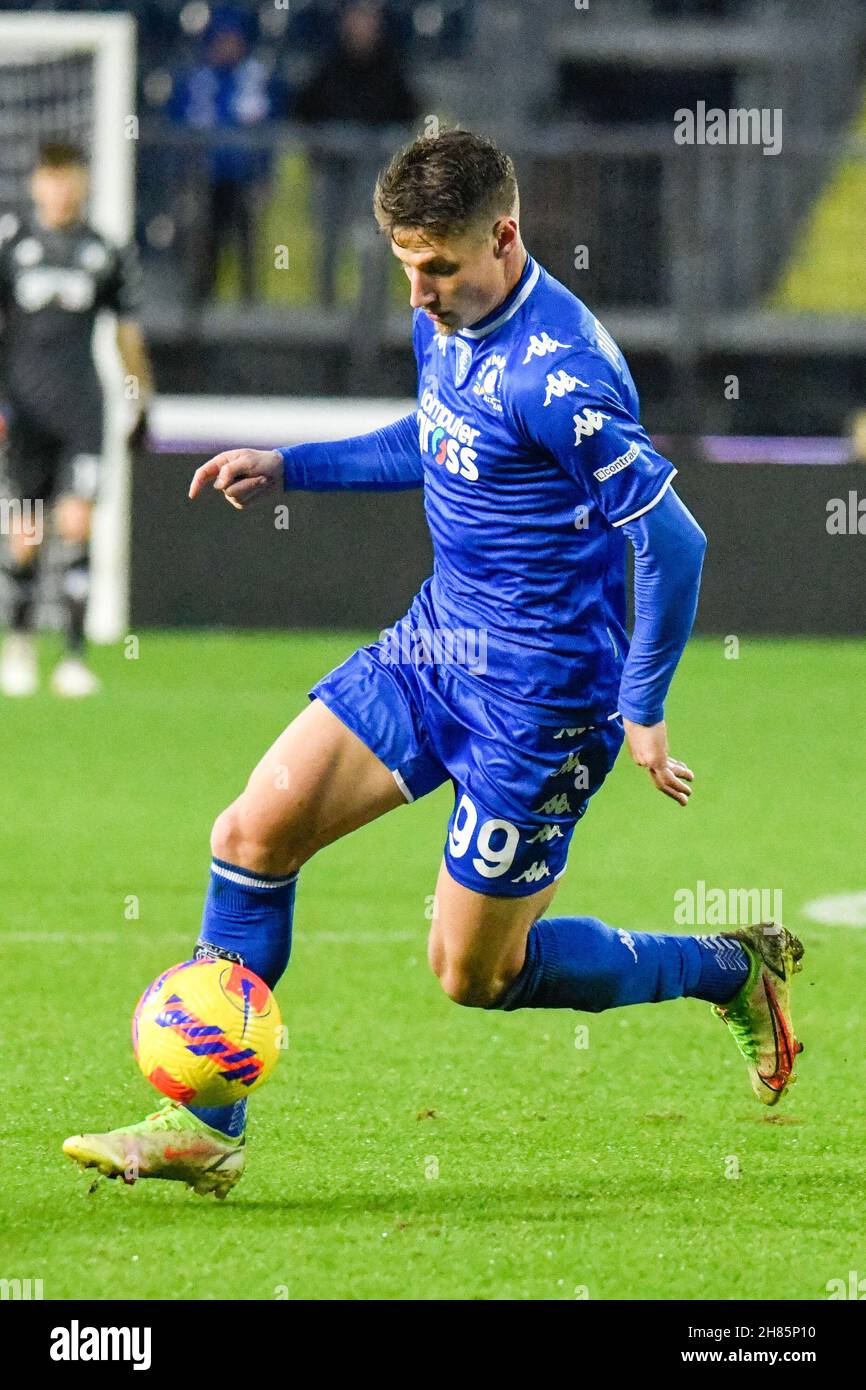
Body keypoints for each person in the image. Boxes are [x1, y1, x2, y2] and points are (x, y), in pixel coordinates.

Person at [64, 130, 803, 1196]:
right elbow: (437, 434)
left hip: (538, 704)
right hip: (431, 647)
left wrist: (641, 705)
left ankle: (727, 968)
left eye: (438, 267)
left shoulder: (562, 376)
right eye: (404, 264)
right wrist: (290, 467)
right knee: (251, 831)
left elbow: (671, 538)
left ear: (504, 236)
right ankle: (204, 1126)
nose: (416, 292)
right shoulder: (446, 317)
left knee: (475, 974)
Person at [0, 142, 153, 698]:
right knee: (23, 534)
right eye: (52, 178)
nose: (61, 189)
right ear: (37, 183)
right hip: (21, 414)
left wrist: (142, 400)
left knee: (76, 526)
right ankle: (17, 646)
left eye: (71, 178)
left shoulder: (104, 252)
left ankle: (72, 656)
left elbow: (126, 334)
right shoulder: (11, 245)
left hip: (82, 411)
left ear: (83, 183)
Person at [295, 0, 418, 306]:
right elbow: (304, 110)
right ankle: (325, 305)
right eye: (357, 19)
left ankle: (372, 305)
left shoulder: (391, 66)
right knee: (328, 238)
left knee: (373, 238)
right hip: (332, 167)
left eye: (369, 19)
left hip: (373, 170)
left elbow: (407, 111)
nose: (362, 26)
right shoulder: (330, 64)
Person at [169, 7, 285, 303]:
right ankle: (199, 302)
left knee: (248, 242)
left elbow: (268, 129)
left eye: (234, 40)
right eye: (223, 40)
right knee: (204, 240)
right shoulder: (196, 80)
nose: (228, 47)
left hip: (243, 177)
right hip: (204, 176)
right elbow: (178, 123)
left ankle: (249, 302)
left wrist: (264, 173)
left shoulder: (255, 78)